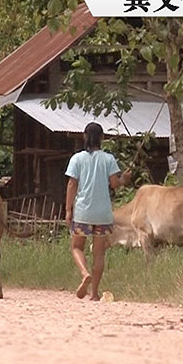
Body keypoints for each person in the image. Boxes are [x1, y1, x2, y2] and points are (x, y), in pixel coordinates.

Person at [64, 122, 131, 301]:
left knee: (77, 247)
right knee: (99, 253)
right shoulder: (108, 159)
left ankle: (85, 273)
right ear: (102, 138)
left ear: (85, 136)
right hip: (103, 214)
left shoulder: (77, 159)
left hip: (83, 212)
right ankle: (94, 293)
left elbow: (72, 184)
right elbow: (115, 184)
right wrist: (124, 178)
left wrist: (68, 210)